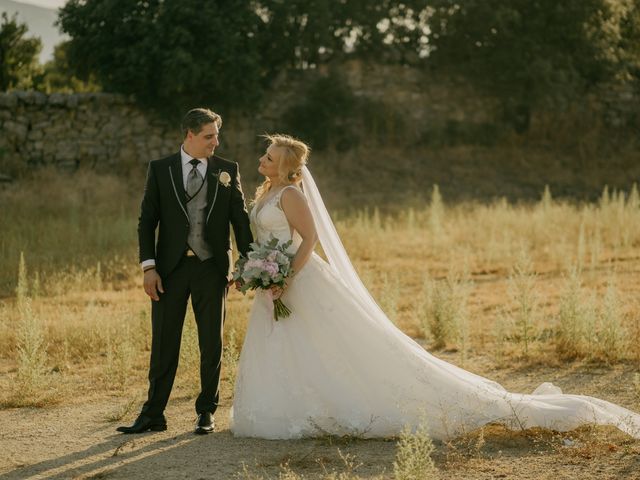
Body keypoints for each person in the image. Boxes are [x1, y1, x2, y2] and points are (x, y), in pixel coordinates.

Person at [230, 134, 640, 441]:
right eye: (265, 156)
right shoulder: (269, 191)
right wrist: (264, 271)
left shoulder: (292, 195)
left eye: (268, 157)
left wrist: (286, 277)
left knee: (332, 344)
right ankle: (293, 403)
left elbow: (310, 240)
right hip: (276, 280)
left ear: (286, 167)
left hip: (299, 279)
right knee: (297, 344)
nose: (261, 160)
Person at [118, 108, 253, 434]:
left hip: (212, 268)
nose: (215, 142)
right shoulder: (160, 169)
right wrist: (149, 267)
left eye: (216, 135)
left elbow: (240, 220)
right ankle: (153, 413)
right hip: (169, 270)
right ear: (189, 135)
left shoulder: (226, 170)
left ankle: (206, 411)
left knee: (212, 342)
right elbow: (147, 221)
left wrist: (248, 263)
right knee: (164, 342)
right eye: (209, 136)